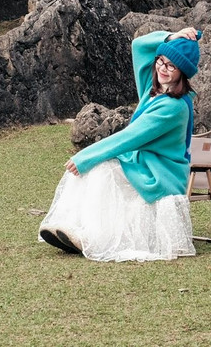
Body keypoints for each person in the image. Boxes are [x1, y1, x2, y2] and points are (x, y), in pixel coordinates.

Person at [38, 27, 201, 262]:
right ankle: (73, 227)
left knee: (101, 168)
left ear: (182, 72)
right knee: (101, 168)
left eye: (171, 66)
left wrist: (84, 157)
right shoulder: (153, 90)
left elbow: (130, 137)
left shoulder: (173, 107)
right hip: (144, 164)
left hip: (161, 174)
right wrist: (171, 36)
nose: (162, 68)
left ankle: (89, 236)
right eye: (160, 61)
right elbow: (138, 46)